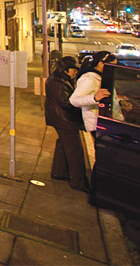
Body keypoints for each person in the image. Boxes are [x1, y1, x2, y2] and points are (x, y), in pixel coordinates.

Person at [45, 56, 89, 192]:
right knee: (74, 150)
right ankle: (78, 181)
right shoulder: (56, 82)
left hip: (61, 118)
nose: (75, 72)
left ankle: (59, 172)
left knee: (64, 144)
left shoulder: (61, 79)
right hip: (63, 119)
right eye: (73, 70)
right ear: (65, 70)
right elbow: (66, 102)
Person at [70, 51, 114, 137]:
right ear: (101, 64)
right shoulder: (89, 79)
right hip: (95, 126)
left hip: (105, 123)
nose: (113, 69)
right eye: (111, 66)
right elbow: (73, 100)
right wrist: (94, 98)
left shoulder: (102, 78)